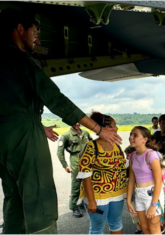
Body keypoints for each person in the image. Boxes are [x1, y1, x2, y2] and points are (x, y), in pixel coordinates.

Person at [0, 9, 121, 234]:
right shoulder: (23, 60)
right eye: (34, 32)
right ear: (19, 29)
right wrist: (98, 128)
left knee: (14, 198)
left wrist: (36, 124)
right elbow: (55, 99)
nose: (37, 39)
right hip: (25, 135)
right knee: (40, 197)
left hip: (6, 135)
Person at [77, 113, 126, 234]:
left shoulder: (117, 146)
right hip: (98, 196)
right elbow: (85, 175)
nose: (117, 129)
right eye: (113, 126)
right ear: (104, 128)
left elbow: (123, 168)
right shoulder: (91, 147)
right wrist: (92, 201)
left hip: (117, 193)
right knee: (97, 228)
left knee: (116, 224)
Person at [127, 126, 165, 234]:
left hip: (152, 194)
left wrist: (153, 205)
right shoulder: (132, 157)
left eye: (135, 135)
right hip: (139, 194)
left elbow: (158, 181)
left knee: (154, 230)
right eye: (130, 134)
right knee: (145, 229)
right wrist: (129, 200)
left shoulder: (151, 155)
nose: (131, 137)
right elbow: (131, 180)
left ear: (145, 139)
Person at [57, 123, 92, 218]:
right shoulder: (66, 135)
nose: (77, 124)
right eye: (74, 122)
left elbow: (93, 145)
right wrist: (65, 165)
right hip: (75, 161)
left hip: (88, 159)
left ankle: (85, 203)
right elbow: (60, 152)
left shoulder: (85, 133)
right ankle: (74, 206)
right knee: (76, 184)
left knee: (89, 182)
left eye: (78, 121)